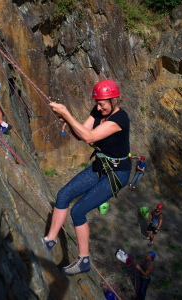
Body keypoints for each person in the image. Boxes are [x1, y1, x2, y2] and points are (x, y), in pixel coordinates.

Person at [44, 79, 131, 276]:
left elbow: (90, 137)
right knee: (63, 194)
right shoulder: (97, 111)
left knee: (79, 211)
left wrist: (67, 113)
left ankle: (84, 260)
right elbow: (82, 133)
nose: (99, 108)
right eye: (97, 103)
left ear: (114, 100)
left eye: (103, 104)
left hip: (117, 173)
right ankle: (50, 239)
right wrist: (69, 123)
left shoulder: (120, 119)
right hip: (101, 165)